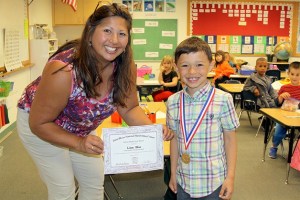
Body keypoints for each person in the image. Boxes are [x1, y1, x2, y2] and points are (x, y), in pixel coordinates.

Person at [16, 3, 173, 200]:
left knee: (94, 182)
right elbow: (39, 123)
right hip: (43, 124)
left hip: (80, 125)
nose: (114, 40)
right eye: (107, 30)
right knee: (63, 188)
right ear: (91, 32)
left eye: (122, 34)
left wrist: (151, 130)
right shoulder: (63, 71)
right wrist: (79, 143)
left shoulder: (125, 68)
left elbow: (129, 108)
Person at [167, 37, 239, 199]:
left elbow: (230, 141)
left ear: (211, 65)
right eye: (185, 66)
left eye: (199, 65)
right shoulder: (173, 102)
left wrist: (230, 177)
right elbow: (174, 139)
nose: (192, 72)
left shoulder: (223, 99)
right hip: (183, 180)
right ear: (176, 68)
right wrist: (172, 173)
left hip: (213, 182)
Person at [269, 62, 300, 159]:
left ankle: (297, 153)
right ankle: (274, 146)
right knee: (279, 131)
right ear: (288, 74)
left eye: (298, 75)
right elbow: (277, 103)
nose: (294, 77)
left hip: (297, 117)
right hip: (283, 116)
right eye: (292, 74)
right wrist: (281, 97)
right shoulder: (284, 87)